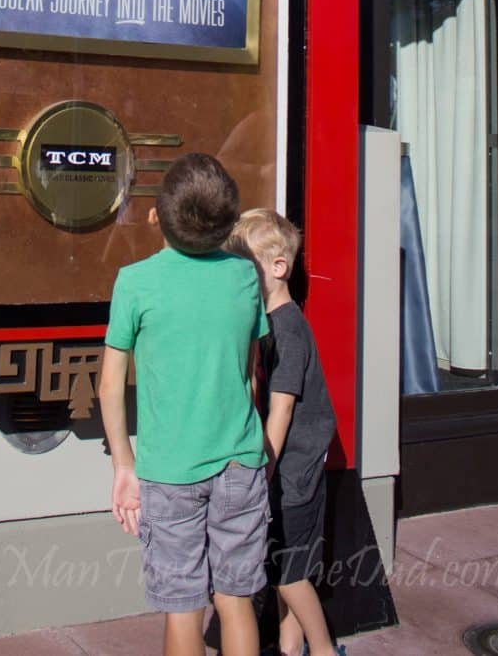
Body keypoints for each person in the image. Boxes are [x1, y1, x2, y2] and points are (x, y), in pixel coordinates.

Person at [99, 155, 269, 656]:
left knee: (183, 607)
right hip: (240, 463)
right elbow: (250, 375)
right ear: (229, 223)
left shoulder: (135, 281)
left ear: (156, 216)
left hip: (169, 471)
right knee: (236, 599)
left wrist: (123, 464)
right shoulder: (245, 277)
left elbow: (110, 385)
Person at [227, 210, 344, 656]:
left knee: (287, 573)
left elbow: (282, 408)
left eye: (247, 266)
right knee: (286, 568)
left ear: (278, 267)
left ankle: (324, 649)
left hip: (292, 470)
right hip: (289, 467)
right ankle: (291, 648)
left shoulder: (288, 329)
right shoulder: (272, 323)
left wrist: (265, 469)